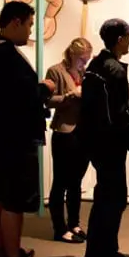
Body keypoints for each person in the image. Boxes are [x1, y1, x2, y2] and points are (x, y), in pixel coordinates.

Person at [0, 1, 55, 257]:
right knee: (14, 200)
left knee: (0, 192)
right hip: (14, 137)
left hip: (0, 135)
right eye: (30, 24)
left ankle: (3, 249)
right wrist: (44, 88)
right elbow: (19, 98)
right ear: (15, 22)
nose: (31, 31)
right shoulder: (5, 56)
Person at [79, 18, 129, 257]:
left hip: (98, 143)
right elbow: (117, 114)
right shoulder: (114, 70)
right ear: (119, 40)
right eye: (128, 35)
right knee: (112, 200)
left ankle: (106, 251)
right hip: (111, 144)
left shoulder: (96, 64)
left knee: (107, 197)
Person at [45, 37, 93, 243]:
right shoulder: (55, 71)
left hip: (83, 132)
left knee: (76, 182)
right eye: (82, 59)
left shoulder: (85, 72)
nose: (84, 63)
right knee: (61, 182)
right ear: (72, 54)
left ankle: (74, 223)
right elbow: (47, 100)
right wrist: (71, 95)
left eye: (87, 60)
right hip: (64, 132)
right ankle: (59, 228)